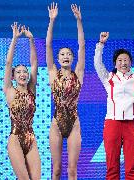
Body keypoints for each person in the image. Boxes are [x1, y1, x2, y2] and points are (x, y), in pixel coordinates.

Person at [94, 32, 134, 179]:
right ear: (115, 63)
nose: (123, 63)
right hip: (112, 124)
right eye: (120, 60)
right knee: (111, 167)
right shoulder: (108, 78)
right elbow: (97, 63)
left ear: (131, 63)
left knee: (131, 168)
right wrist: (100, 44)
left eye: (126, 60)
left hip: (132, 125)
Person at [46, 3, 85, 179]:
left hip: (74, 125)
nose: (66, 56)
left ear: (73, 58)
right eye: (62, 54)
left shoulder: (79, 74)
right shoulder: (53, 73)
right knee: (56, 170)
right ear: (58, 58)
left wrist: (79, 21)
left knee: (72, 170)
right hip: (56, 125)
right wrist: (52, 21)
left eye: (68, 54)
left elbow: (82, 46)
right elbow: (48, 45)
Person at [3, 22, 41, 179]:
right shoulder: (10, 90)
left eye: (25, 71)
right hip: (15, 139)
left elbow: (34, 63)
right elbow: (8, 63)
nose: (23, 74)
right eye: (18, 72)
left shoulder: (32, 89)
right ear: (13, 76)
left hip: (31, 138)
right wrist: (15, 39)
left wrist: (31, 40)